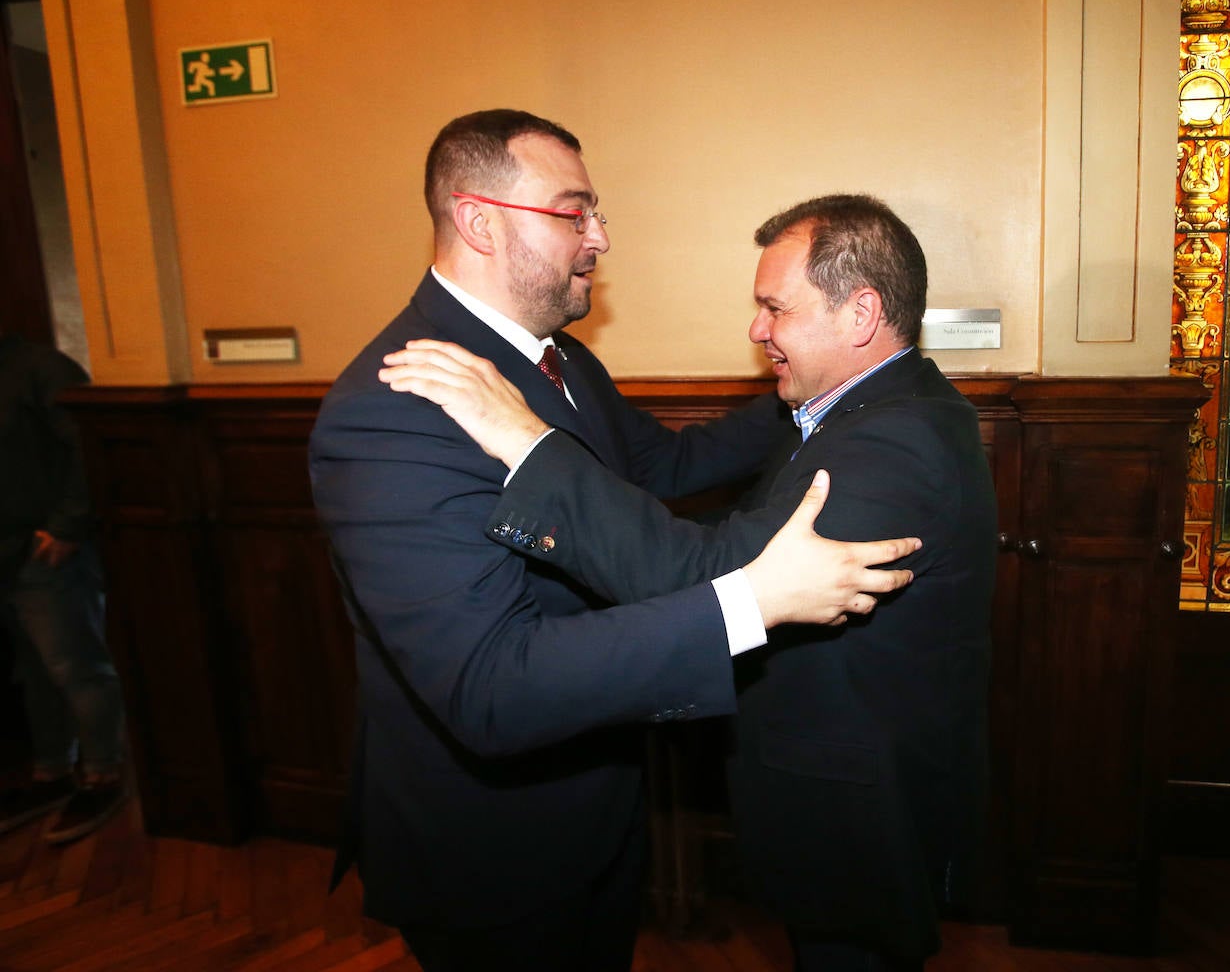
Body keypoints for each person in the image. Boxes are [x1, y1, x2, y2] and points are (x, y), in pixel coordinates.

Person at [307, 111, 920, 972]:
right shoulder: (397, 407)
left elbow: (663, 463)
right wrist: (749, 603)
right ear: (480, 219)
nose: (600, 236)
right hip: (493, 852)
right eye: (574, 212)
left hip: (597, 803)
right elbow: (489, 686)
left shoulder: (558, 359)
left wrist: (817, 380)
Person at [0, 331, 128, 846]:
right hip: (4, 550)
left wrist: (68, 527)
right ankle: (51, 772)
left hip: (43, 549)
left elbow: (85, 445)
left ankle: (103, 773)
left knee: (76, 665)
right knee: (30, 668)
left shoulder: (39, 367)